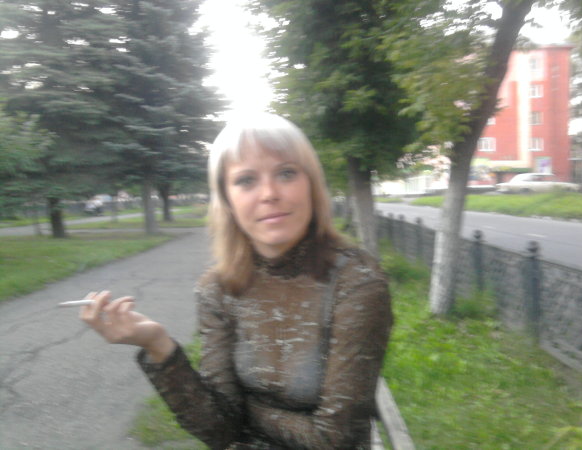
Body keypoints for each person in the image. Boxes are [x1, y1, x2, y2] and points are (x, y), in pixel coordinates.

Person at [81, 113, 393, 449]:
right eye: (246, 180)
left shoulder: (356, 282)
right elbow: (218, 429)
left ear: (312, 185)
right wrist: (157, 345)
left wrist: (248, 411)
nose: (269, 193)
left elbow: (335, 440)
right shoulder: (218, 288)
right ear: (227, 200)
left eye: (286, 173)